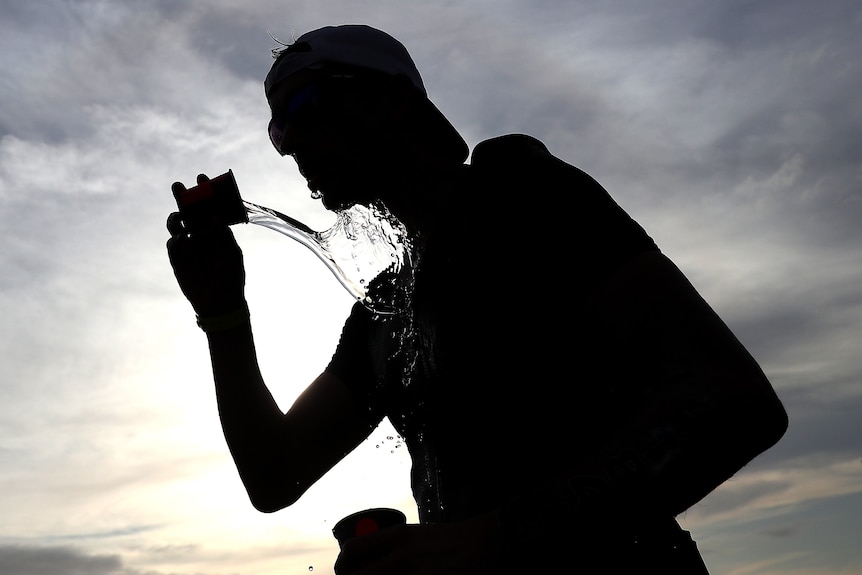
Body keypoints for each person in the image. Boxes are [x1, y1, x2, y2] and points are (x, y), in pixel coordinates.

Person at [166, 24, 788, 573]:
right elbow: (275, 475)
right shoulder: (388, 310)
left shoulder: (520, 196)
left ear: (394, 100)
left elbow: (734, 405)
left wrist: (490, 541)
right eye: (279, 127)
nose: (291, 138)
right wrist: (223, 313)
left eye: (307, 100)